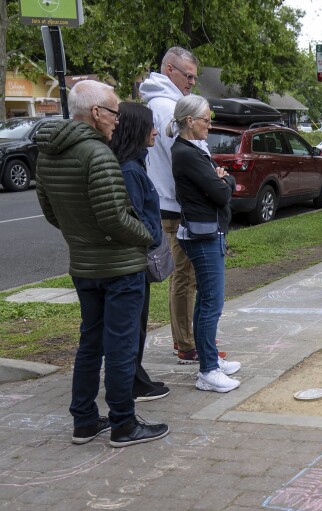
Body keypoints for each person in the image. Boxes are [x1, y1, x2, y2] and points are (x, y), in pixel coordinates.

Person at [35, 80, 169, 447]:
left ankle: (84, 421)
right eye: (113, 112)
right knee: (121, 347)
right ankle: (124, 424)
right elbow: (114, 218)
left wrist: (81, 236)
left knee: (90, 343)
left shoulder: (48, 154)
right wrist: (148, 236)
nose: (116, 120)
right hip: (119, 267)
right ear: (96, 113)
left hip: (83, 265)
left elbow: (51, 212)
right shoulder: (97, 154)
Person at [140, 47, 227, 365]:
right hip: (175, 207)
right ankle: (188, 344)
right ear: (169, 70)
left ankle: (193, 341)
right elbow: (184, 157)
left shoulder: (164, 103)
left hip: (175, 203)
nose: (192, 81)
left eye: (194, 76)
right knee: (185, 277)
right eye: (187, 75)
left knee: (190, 277)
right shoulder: (166, 107)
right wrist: (211, 184)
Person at [169, 95, 241, 393]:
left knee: (205, 302)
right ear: (189, 121)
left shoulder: (195, 149)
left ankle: (210, 360)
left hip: (208, 230)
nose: (210, 126)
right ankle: (208, 371)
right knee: (212, 302)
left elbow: (226, 182)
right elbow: (223, 192)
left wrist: (223, 180)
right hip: (203, 234)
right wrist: (223, 181)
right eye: (206, 121)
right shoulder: (186, 152)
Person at [109, 102, 170, 403]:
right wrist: (151, 237)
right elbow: (132, 215)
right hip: (133, 260)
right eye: (151, 125)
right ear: (137, 130)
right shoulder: (130, 170)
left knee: (138, 325)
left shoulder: (136, 163)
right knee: (133, 326)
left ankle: (137, 377)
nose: (156, 131)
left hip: (136, 257)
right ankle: (132, 383)